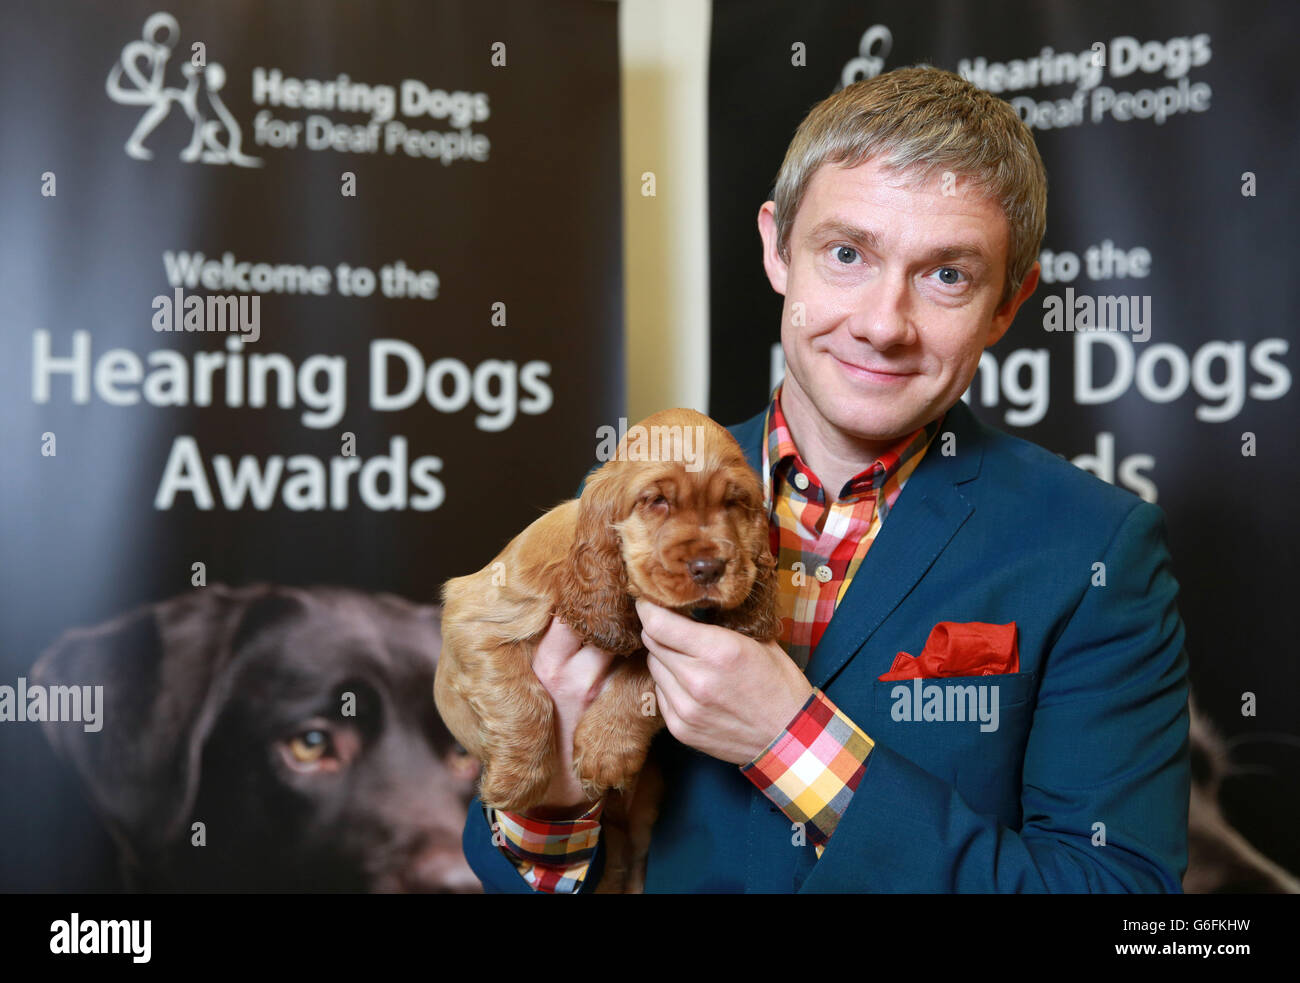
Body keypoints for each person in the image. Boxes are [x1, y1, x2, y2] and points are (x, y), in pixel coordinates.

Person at [462, 65, 1189, 893]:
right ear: (777, 249)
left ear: (1008, 304)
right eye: (847, 253)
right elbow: (523, 870)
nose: (883, 324)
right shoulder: (638, 497)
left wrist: (792, 739)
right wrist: (551, 802)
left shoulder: (1094, 549)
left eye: (947, 275)